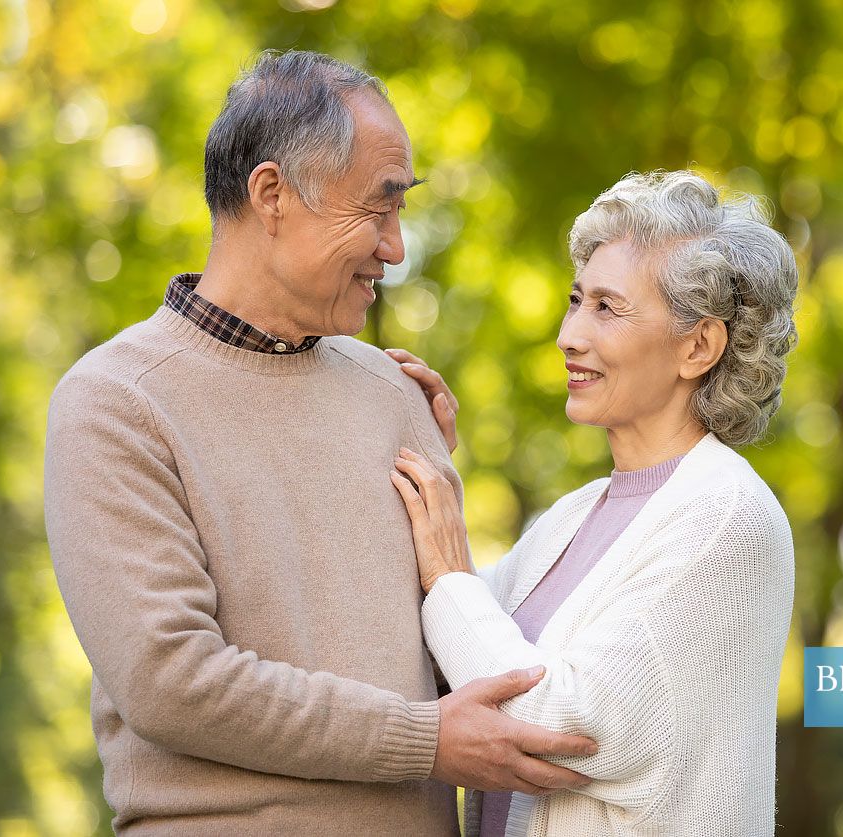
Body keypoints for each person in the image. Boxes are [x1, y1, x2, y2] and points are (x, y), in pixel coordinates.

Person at [42, 50, 597, 835]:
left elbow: (451, 665)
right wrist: (425, 739)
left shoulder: (392, 395)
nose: (397, 247)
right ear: (272, 194)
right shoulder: (116, 403)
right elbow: (170, 680)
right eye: (378, 208)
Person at [388, 170, 800, 836]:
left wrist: (450, 570)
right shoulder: (575, 516)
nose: (568, 334)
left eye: (606, 307)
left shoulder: (727, 516)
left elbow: (556, 721)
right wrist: (418, 452)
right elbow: (439, 649)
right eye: (576, 300)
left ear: (698, 346)